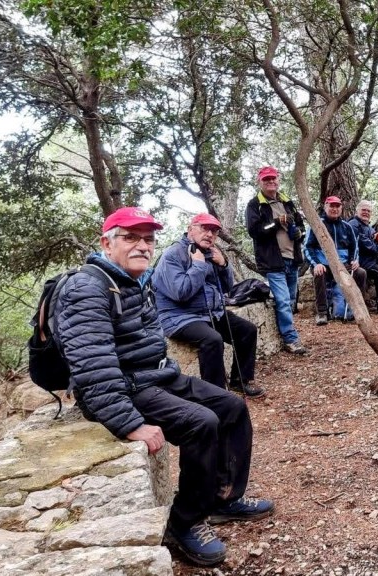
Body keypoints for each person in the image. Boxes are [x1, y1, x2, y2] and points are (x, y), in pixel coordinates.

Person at [55, 207, 274, 567]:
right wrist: (128, 423)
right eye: (130, 237)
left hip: (155, 376)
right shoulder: (88, 287)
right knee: (201, 422)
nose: (142, 245)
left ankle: (223, 497)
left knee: (231, 407)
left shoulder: (131, 280)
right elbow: (93, 365)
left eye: (148, 238)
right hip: (124, 388)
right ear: (106, 244)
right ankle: (184, 520)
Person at [153, 213, 263, 398]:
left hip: (210, 313)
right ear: (190, 229)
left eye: (214, 231)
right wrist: (198, 265)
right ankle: (216, 394)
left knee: (247, 330)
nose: (210, 234)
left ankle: (240, 381)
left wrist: (224, 265)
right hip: (179, 317)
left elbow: (227, 289)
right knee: (212, 340)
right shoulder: (172, 255)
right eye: (204, 228)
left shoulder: (209, 253)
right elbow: (180, 293)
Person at [245, 166, 307, 354]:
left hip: (292, 259)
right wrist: (276, 223)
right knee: (282, 300)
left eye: (273, 179)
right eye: (266, 179)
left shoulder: (288, 202)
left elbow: (301, 226)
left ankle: (287, 333)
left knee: (290, 300)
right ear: (260, 182)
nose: (270, 182)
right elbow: (255, 231)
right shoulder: (255, 204)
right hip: (273, 261)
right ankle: (291, 339)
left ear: (278, 180)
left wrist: (299, 234)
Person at [304, 196, 368, 323]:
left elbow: (354, 247)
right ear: (325, 207)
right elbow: (307, 247)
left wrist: (354, 260)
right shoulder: (317, 225)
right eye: (331, 206)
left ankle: (357, 308)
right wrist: (316, 264)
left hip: (343, 264)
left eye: (337, 206)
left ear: (341, 208)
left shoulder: (346, 226)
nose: (334, 209)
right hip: (323, 264)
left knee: (361, 273)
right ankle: (322, 312)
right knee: (319, 273)